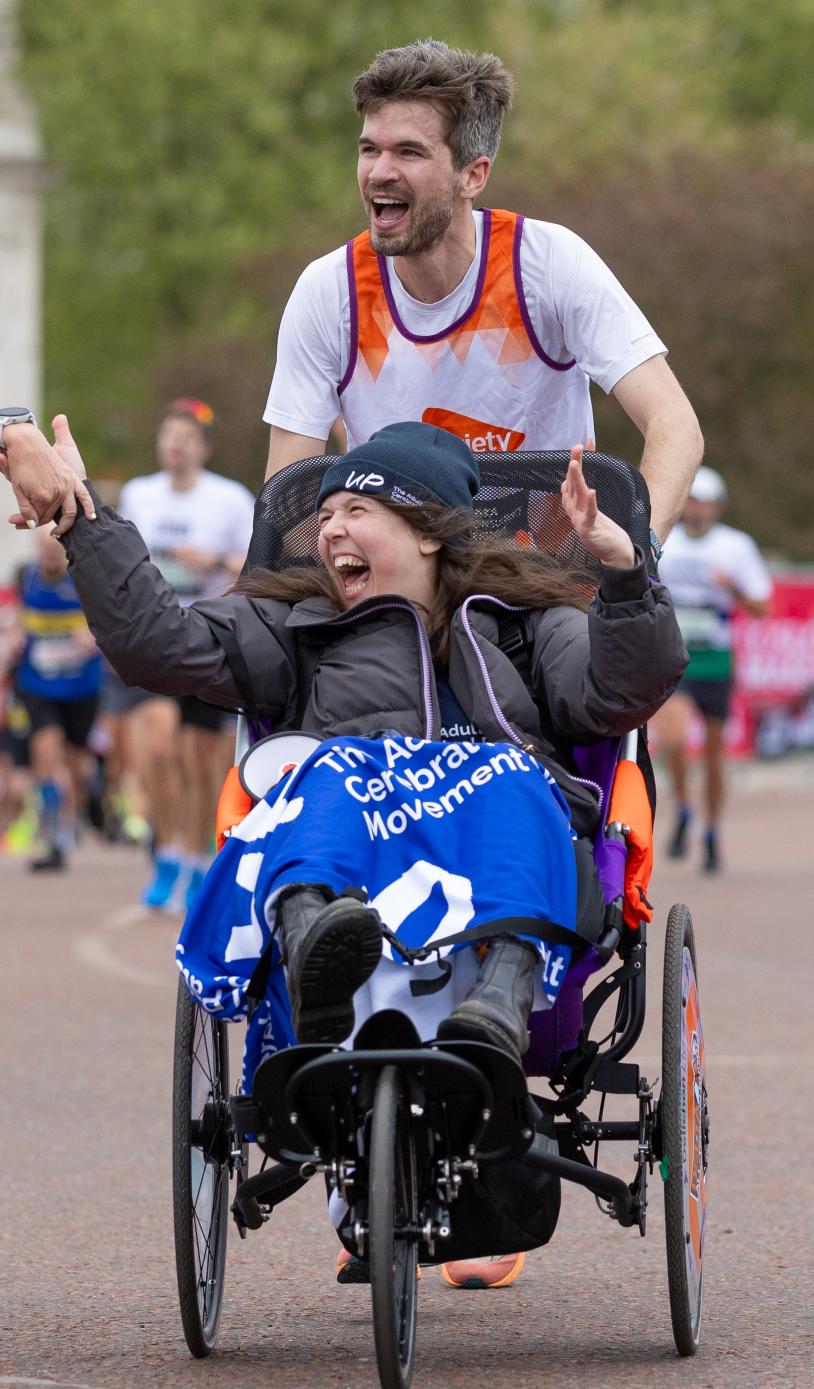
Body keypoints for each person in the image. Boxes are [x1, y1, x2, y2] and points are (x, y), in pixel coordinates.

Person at [8, 415, 687, 1277]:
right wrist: (80, 519)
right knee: (314, 774)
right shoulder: (294, 627)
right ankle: (315, 965)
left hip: (491, 857)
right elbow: (154, 643)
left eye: (359, 509)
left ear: (431, 535)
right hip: (355, 861)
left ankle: (497, 1012)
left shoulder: (526, 626)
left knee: (516, 779)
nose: (330, 530)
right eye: (325, 515)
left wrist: (623, 576)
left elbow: (625, 691)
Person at [262, 38, 704, 553]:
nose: (379, 171)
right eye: (369, 149)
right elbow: (287, 501)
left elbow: (675, 426)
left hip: (547, 583)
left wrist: (634, 554)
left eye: (408, 151)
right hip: (400, 586)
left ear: (473, 175)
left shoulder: (549, 263)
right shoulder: (328, 290)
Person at [114, 398, 256, 909]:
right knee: (156, 747)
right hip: (154, 634)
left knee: (202, 761)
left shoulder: (231, 500)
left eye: (186, 437)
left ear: (205, 447)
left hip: (210, 635)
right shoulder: (139, 494)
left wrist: (213, 560)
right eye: (168, 434)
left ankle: (198, 862)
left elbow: (255, 569)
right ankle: (169, 849)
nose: (175, 444)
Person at [651, 466, 771, 872]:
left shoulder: (736, 547)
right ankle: (684, 808)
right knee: (673, 740)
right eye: (692, 502)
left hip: (716, 662)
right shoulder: (665, 542)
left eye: (705, 503)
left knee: (716, 757)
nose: (697, 510)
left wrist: (732, 588)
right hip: (677, 659)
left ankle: (712, 830)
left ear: (717, 508)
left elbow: (762, 607)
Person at [10, 527, 103, 869]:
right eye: (44, 551)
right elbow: (16, 616)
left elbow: (108, 622)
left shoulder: (84, 578)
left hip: (80, 686)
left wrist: (92, 635)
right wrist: (15, 634)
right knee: (45, 750)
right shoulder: (25, 575)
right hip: (37, 683)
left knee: (77, 762)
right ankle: (52, 832)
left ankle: (75, 811)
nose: (50, 557)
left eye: (55, 552)